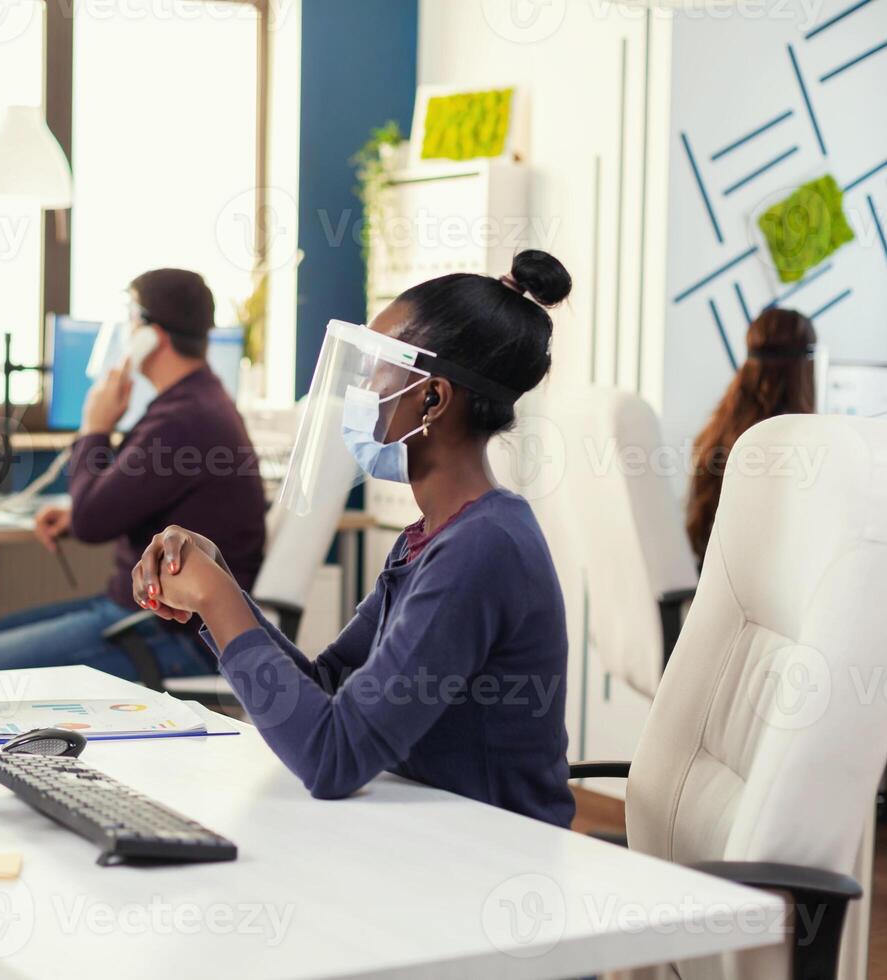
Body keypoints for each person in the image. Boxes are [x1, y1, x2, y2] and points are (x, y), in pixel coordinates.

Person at [130, 251, 577, 828]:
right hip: (437, 839)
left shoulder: (482, 549)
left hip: (495, 863)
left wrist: (216, 601)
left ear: (432, 399)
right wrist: (217, 590)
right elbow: (326, 687)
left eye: (378, 368)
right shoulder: (433, 537)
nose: (362, 387)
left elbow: (333, 757)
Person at [0, 269, 266, 681]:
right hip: (150, 615)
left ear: (151, 336)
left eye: (132, 318)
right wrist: (78, 506)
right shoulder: (196, 401)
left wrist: (95, 425)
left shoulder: (182, 420)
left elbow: (91, 523)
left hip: (174, 635)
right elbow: (125, 495)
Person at [686, 307, 817, 563]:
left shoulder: (720, 430)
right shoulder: (793, 444)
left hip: (722, 588)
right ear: (805, 366)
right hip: (763, 596)